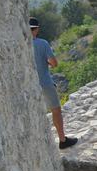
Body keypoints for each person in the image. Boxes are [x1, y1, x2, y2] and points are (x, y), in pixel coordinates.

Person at [30, 18, 77, 149]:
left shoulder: (20, 45)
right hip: (45, 82)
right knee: (55, 110)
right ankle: (62, 139)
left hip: (29, 87)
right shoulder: (42, 43)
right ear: (37, 29)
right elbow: (54, 63)